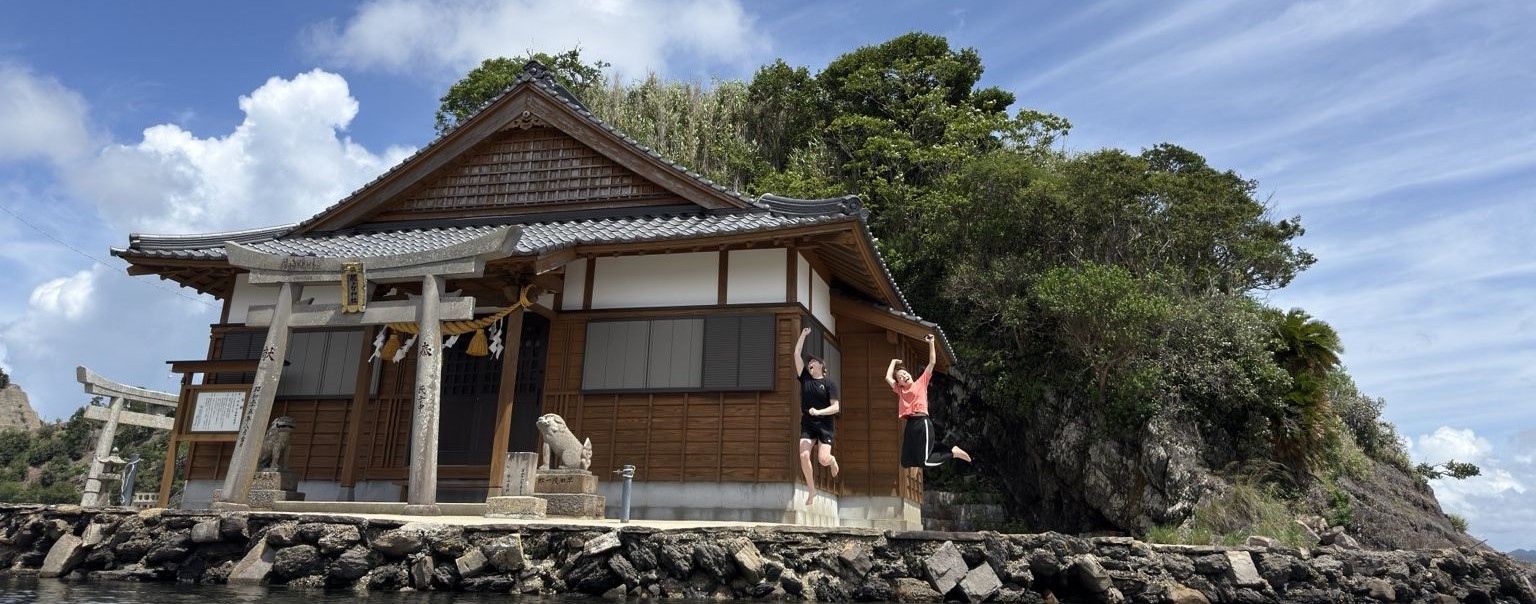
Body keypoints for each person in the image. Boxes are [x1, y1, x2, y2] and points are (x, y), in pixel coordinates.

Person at [888, 334, 971, 478]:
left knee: (925, 461)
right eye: (900, 377)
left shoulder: (921, 382)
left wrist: (931, 342)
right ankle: (916, 463)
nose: (904, 376)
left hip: (922, 422)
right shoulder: (900, 390)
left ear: (909, 374)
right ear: (899, 383)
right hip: (911, 424)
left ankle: (953, 453)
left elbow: (932, 362)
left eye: (905, 373)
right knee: (905, 461)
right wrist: (893, 362)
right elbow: (887, 377)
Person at [794, 327, 839, 505]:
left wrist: (819, 412)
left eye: (813, 361)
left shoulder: (829, 383)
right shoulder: (805, 378)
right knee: (804, 455)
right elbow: (796, 354)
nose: (810, 363)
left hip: (825, 424)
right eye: (809, 362)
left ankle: (832, 460)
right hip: (808, 422)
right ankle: (812, 490)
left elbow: (836, 407)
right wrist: (803, 335)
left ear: (821, 366)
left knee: (823, 459)